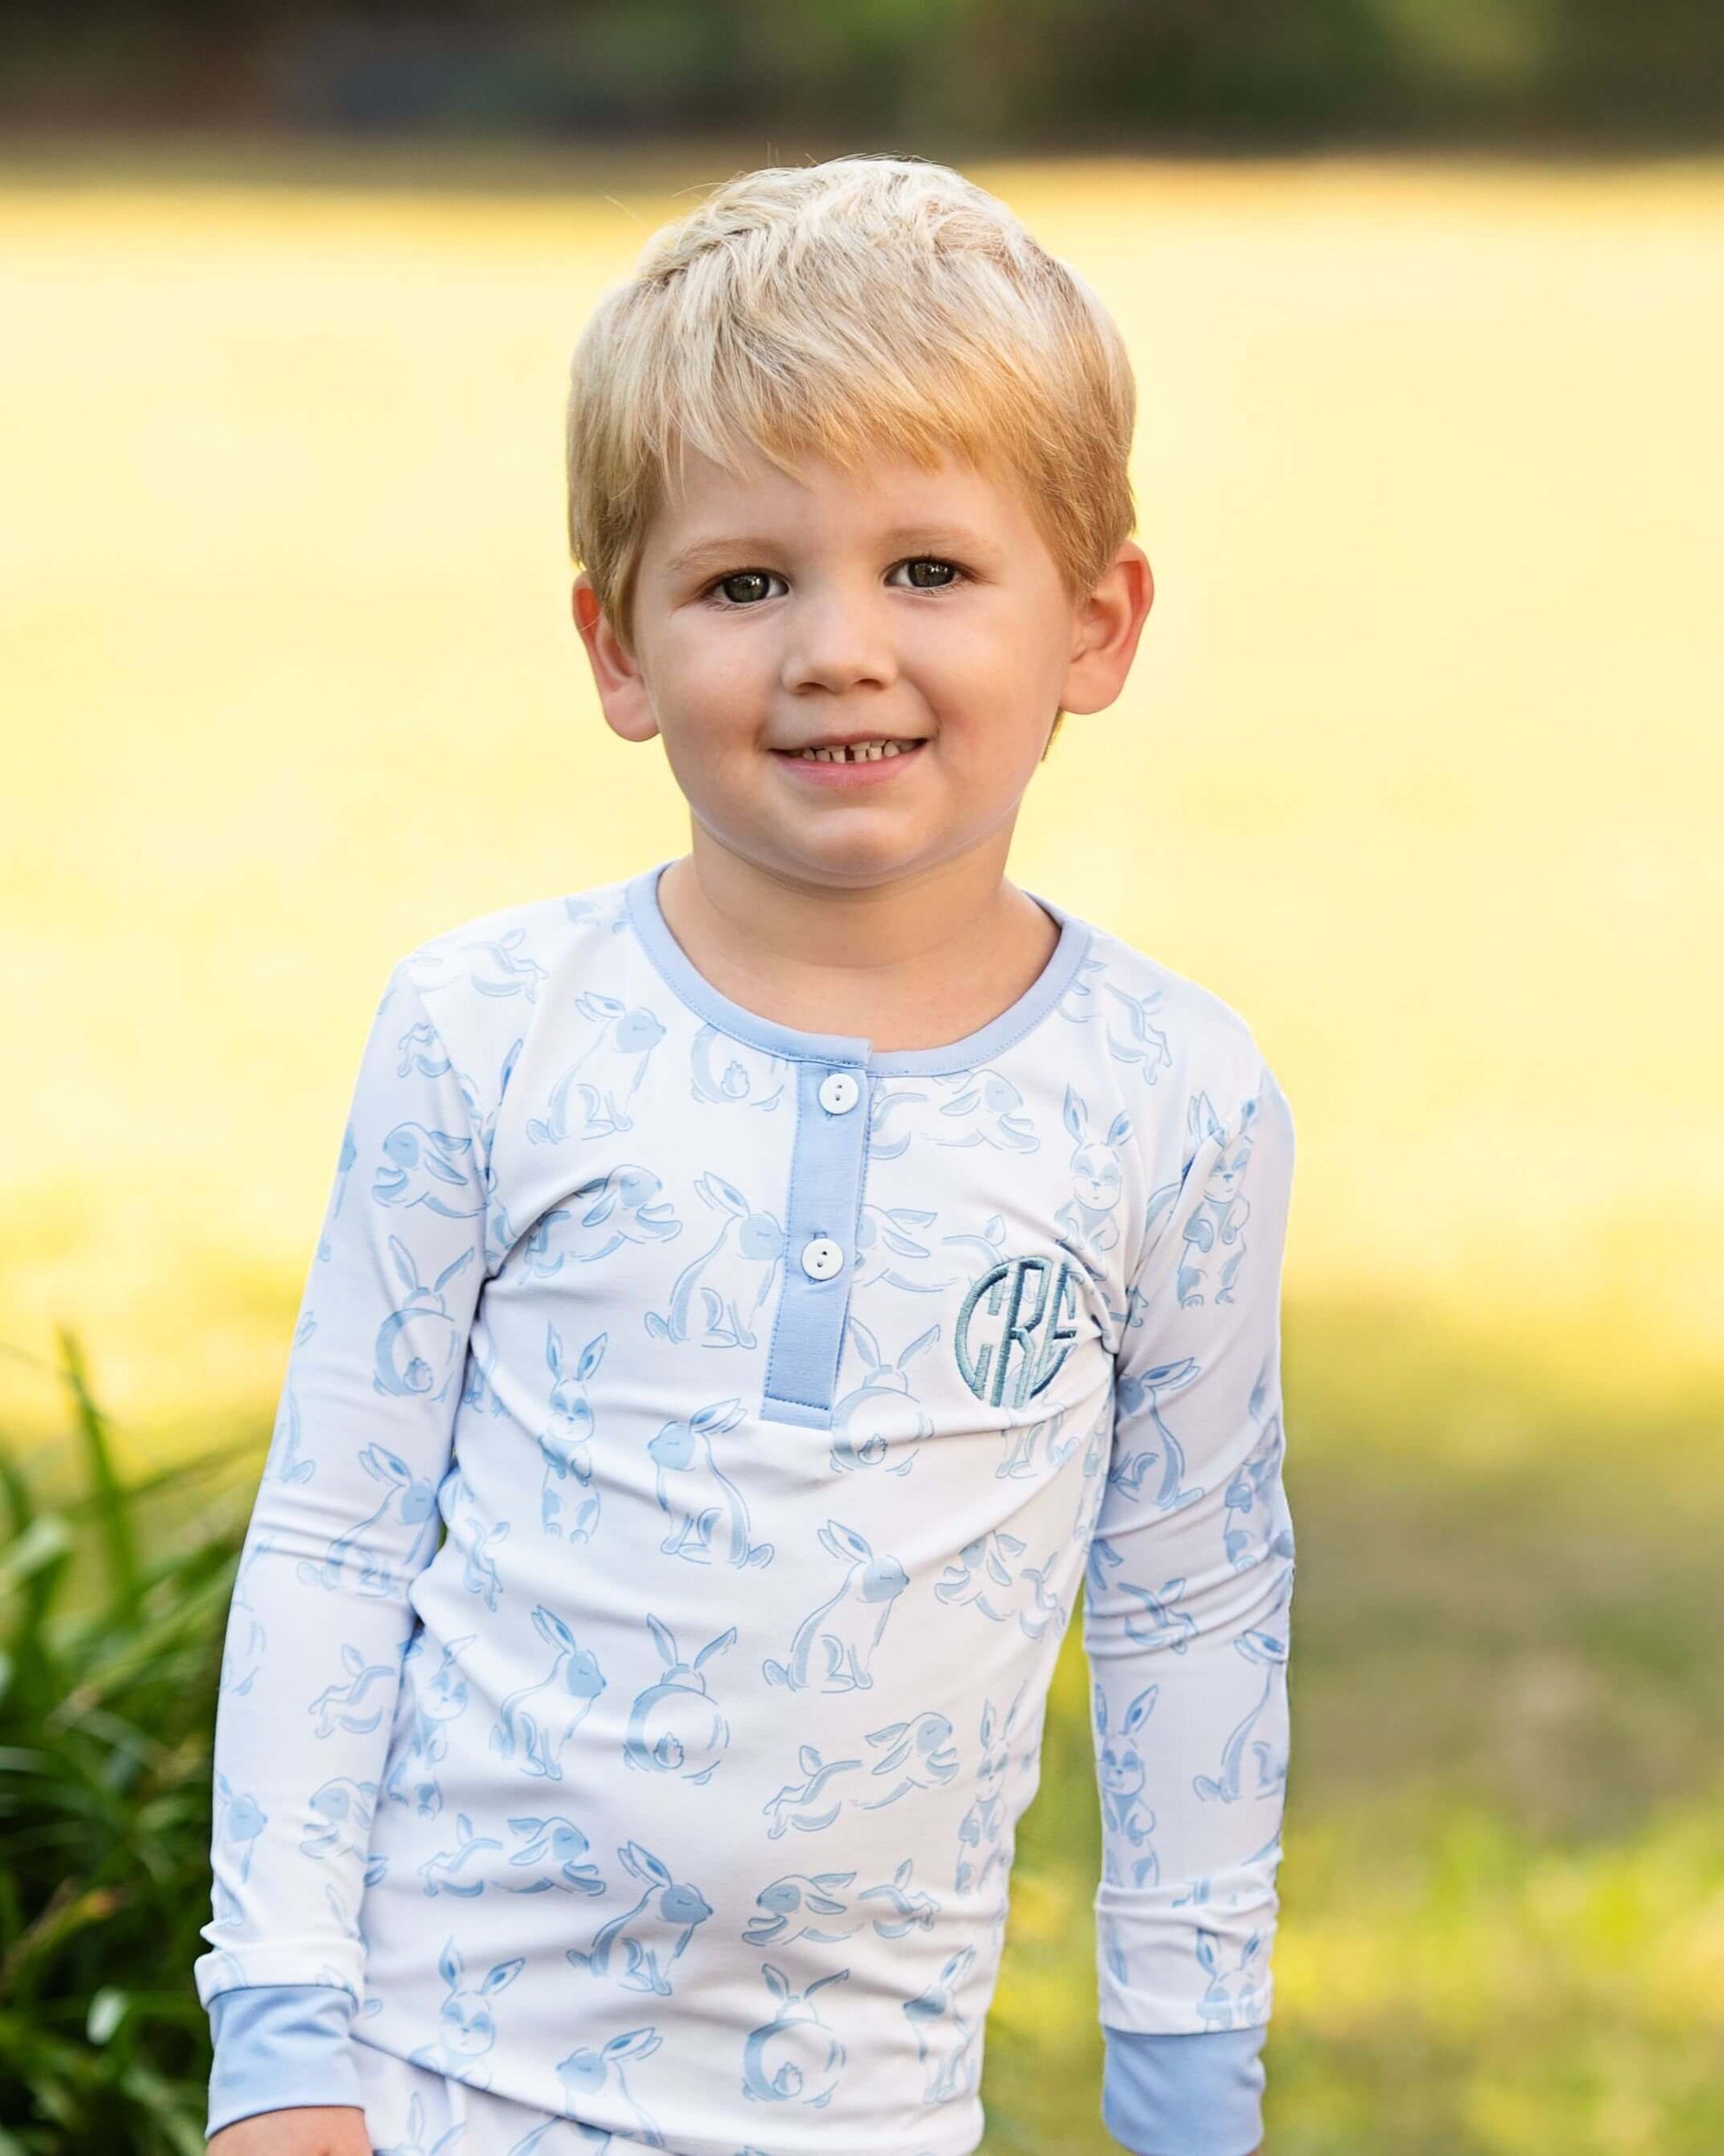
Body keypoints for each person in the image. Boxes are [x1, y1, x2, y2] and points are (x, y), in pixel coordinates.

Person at [195, 153, 1294, 2156]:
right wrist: (284, 2046)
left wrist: (1188, 2078)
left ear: (1096, 621)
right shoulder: (485, 1030)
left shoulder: (1173, 1097)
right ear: (617, 645)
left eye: (931, 570)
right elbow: (337, 1542)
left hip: (868, 2107)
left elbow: (1192, 1603)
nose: (837, 649)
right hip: (436, 2083)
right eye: (745, 580)